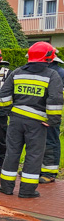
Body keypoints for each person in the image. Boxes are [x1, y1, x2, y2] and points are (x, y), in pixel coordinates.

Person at [0, 42, 63, 198]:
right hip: (37, 123)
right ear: (48, 57)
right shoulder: (52, 75)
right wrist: (53, 121)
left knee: (12, 152)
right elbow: (55, 99)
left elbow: (3, 95)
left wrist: (10, 111)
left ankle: (6, 187)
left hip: (15, 120)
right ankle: (27, 191)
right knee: (33, 155)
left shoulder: (17, 72)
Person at [40, 49, 64, 183]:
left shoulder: (59, 73)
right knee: (37, 142)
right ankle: (38, 168)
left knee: (50, 141)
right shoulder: (43, 71)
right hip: (39, 112)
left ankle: (50, 172)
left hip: (51, 114)